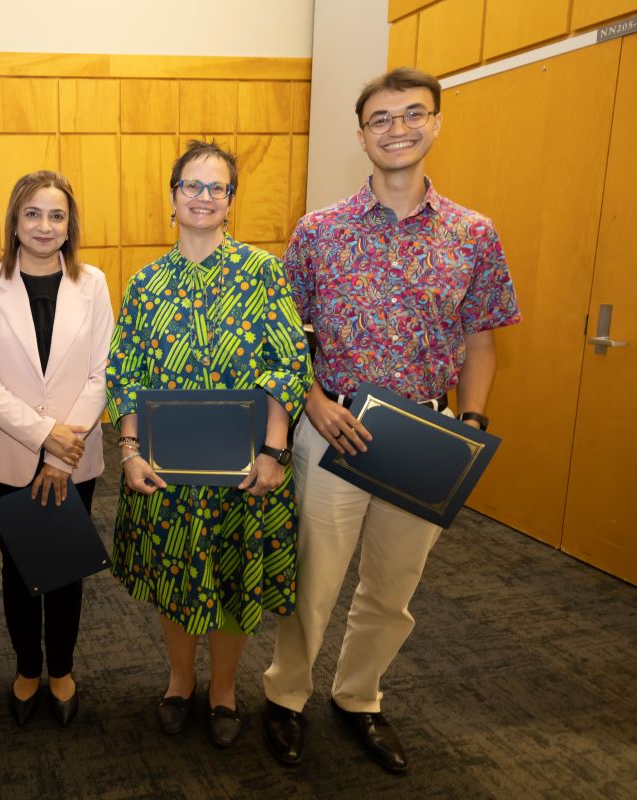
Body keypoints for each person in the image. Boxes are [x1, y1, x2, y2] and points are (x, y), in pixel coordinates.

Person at [261, 68, 521, 773]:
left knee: (393, 589)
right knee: (313, 582)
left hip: (425, 438)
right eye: (381, 118)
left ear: (436, 123)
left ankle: (358, 697)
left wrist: (469, 424)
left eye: (413, 114)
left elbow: (482, 340)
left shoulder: (474, 234)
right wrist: (313, 402)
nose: (397, 128)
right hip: (334, 428)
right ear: (362, 135)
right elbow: (286, 338)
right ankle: (285, 696)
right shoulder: (319, 232)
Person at [105, 140, 312, 748]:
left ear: (230, 202)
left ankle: (223, 688)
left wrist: (274, 454)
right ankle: (178, 681)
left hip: (246, 468)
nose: (202, 197)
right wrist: (129, 451)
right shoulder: (145, 284)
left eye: (215, 187)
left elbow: (286, 366)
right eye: (190, 186)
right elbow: (126, 375)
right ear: (172, 198)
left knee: (232, 577)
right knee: (177, 575)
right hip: (165, 469)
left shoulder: (263, 271)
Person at [0, 171, 112, 727]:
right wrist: (40, 434)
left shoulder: (92, 283)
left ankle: (62, 670)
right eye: (33, 214)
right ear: (15, 222)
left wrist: (59, 448)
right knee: (19, 565)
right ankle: (28, 667)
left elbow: (102, 373)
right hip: (12, 451)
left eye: (56, 215)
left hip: (75, 455)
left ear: (69, 224)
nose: (45, 226)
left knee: (66, 563)